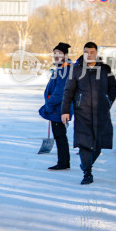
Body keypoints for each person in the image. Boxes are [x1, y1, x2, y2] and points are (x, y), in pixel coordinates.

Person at [60, 42, 116, 185]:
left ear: (96, 53)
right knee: (84, 143)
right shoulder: (77, 69)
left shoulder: (105, 69)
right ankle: (87, 172)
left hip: (101, 113)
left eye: (91, 52)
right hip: (83, 112)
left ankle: (87, 163)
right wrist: (65, 111)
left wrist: (107, 102)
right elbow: (68, 91)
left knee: (98, 143)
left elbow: (113, 88)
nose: (89, 54)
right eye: (86, 51)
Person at [39, 42, 73, 170]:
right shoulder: (61, 68)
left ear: (65, 55)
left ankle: (64, 163)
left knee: (60, 136)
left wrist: (49, 103)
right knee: (59, 135)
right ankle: (63, 161)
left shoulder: (65, 69)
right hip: (57, 108)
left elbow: (60, 91)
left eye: (59, 53)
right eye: (55, 53)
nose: (56, 56)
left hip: (59, 108)